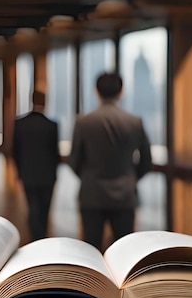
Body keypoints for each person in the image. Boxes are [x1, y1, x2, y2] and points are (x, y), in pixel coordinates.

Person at [68, 73, 152, 251]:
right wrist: (130, 177)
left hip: (92, 194)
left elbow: (74, 160)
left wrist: (87, 176)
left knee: (91, 250)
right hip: (125, 195)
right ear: (121, 92)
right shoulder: (134, 122)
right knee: (124, 251)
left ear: (96, 92)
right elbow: (146, 160)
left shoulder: (83, 122)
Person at [12, 91, 60, 241]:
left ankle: (35, 236)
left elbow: (15, 151)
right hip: (47, 174)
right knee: (45, 207)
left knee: (33, 205)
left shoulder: (20, 123)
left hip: (28, 172)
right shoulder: (52, 125)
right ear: (45, 102)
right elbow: (55, 153)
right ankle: (42, 235)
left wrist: (19, 172)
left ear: (31, 101)